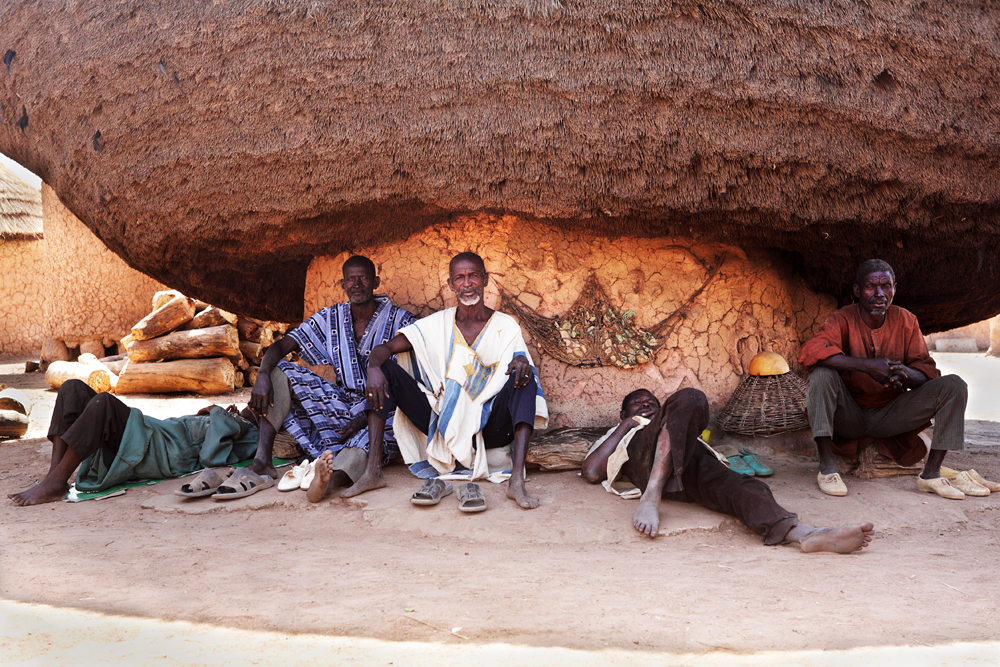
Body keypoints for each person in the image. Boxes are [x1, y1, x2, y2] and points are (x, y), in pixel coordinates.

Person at [328, 251, 548, 509]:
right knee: (385, 369)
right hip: (441, 425)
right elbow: (383, 349)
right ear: (451, 284)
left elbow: (519, 361)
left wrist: (520, 364)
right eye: (460, 278)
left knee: (526, 377)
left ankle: (517, 482)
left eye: (473, 276)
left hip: (490, 428)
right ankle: (372, 471)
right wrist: (374, 367)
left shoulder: (505, 325)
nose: (467, 284)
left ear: (485, 280)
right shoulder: (437, 324)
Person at [581, 387, 874, 553]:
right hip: (646, 463)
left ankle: (807, 534)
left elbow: (679, 415)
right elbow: (592, 472)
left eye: (651, 404)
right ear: (623, 413)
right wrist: (628, 424)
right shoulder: (623, 432)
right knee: (689, 400)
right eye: (637, 404)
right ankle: (652, 495)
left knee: (748, 487)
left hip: (691, 466)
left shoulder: (670, 419)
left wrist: (670, 420)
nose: (645, 405)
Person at [798, 259, 971, 499]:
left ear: (894, 288)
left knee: (954, 386)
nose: (880, 293)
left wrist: (907, 375)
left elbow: (926, 370)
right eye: (871, 286)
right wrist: (869, 367)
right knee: (821, 373)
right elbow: (811, 351)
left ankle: (931, 474)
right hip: (849, 415)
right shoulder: (842, 319)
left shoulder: (906, 320)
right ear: (857, 290)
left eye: (886, 286)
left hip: (892, 414)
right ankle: (827, 468)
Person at [247, 255, 414, 502]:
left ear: (376, 282)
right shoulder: (331, 318)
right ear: (342, 285)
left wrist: (363, 418)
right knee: (277, 371)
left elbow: (414, 379)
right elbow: (282, 346)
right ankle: (262, 461)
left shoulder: (401, 320)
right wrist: (262, 374)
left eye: (363, 278)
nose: (357, 284)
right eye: (350, 279)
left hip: (383, 411)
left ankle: (328, 481)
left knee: (370, 441)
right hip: (342, 402)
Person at [8, 380, 258, 506]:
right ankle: (54, 476)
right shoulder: (231, 419)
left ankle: (56, 481)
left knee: (103, 403)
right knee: (71, 388)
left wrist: (219, 415)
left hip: (157, 449)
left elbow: (211, 459)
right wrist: (210, 414)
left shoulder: (250, 433)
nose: (251, 404)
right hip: (152, 429)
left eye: (256, 406)